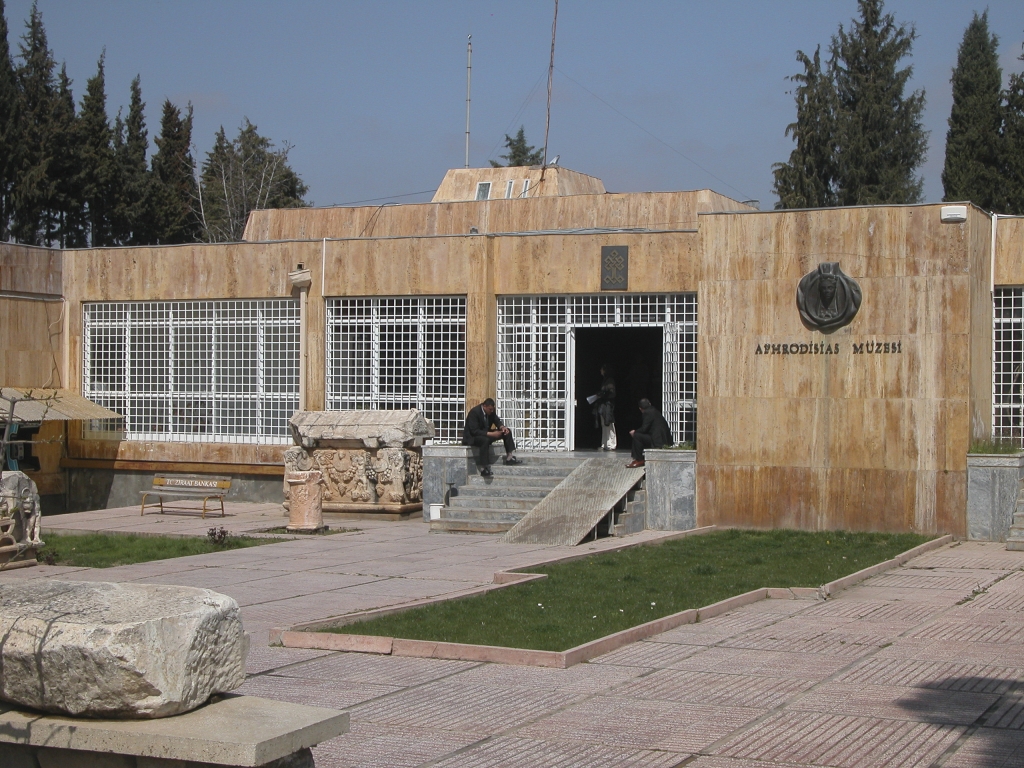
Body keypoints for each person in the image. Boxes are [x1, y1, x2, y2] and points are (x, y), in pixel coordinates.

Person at [462, 398, 519, 476]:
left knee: (506, 432)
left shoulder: (491, 412)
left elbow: (497, 421)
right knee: (484, 440)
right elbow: (474, 431)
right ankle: (484, 468)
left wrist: (502, 427)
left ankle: (509, 457)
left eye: (492, 409)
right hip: (473, 437)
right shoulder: (474, 412)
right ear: (484, 406)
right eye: (490, 409)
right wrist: (491, 434)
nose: (491, 411)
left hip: (486, 433)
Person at [626, 398, 673, 467]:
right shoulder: (654, 410)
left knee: (637, 436)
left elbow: (644, 429)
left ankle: (638, 459)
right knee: (639, 435)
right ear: (650, 404)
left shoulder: (647, 413)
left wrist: (634, 432)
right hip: (663, 440)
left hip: (658, 441)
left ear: (640, 409)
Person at [589, 363, 616, 450]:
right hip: (603, 404)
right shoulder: (605, 380)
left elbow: (611, 393)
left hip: (607, 404)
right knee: (604, 424)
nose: (600, 371)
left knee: (609, 423)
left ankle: (611, 443)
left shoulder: (610, 381)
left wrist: (603, 394)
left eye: (602, 369)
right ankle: (604, 443)